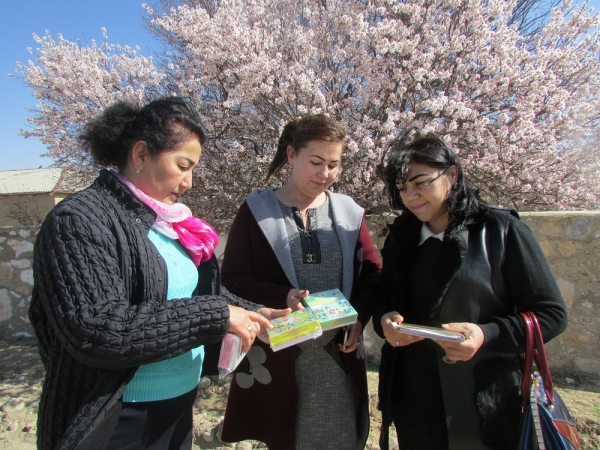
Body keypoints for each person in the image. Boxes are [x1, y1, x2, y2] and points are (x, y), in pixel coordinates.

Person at [29, 97, 289, 450]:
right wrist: (219, 315)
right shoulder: (78, 219)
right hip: (117, 418)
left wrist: (254, 311)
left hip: (177, 406)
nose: (189, 182)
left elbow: (190, 292)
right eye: (183, 165)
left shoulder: (170, 224)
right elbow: (97, 328)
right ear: (140, 155)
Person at [372, 130, 568, 450]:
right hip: (415, 405)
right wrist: (385, 320)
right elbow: (385, 297)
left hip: (487, 406)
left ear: (451, 174)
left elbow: (552, 314)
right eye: (403, 187)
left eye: (421, 182)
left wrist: (485, 334)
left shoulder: (502, 230)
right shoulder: (401, 236)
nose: (411, 196)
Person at [218, 114, 381, 449]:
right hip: (279, 356)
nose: (326, 174)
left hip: (338, 359)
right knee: (285, 437)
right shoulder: (255, 211)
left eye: (334, 164)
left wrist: (358, 318)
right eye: (316, 162)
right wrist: (283, 295)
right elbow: (232, 278)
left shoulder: (349, 212)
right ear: (292, 156)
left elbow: (373, 272)